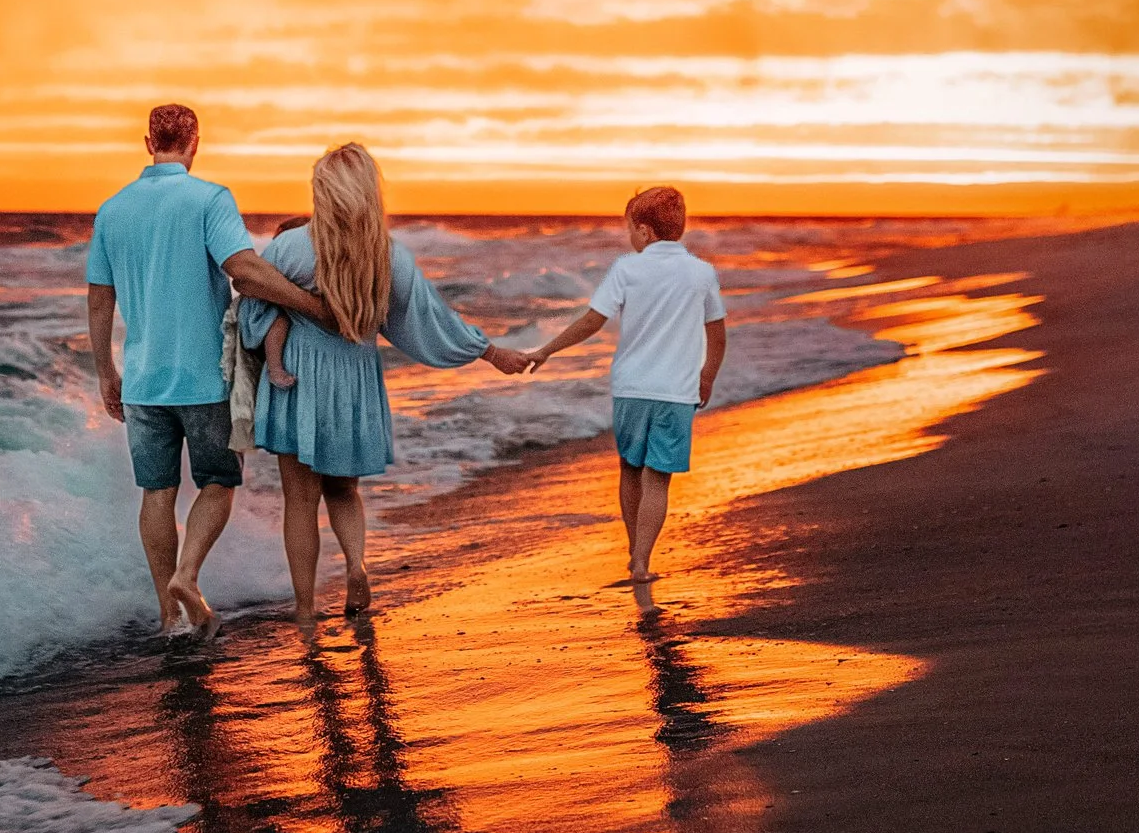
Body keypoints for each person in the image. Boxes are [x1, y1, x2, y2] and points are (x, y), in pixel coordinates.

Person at [240, 144, 533, 643]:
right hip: (355, 380)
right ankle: (356, 564)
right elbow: (429, 321)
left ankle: (307, 610)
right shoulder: (391, 256)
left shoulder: (293, 248)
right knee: (345, 490)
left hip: (300, 376)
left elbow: (253, 310)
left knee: (300, 500)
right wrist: (487, 351)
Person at [87, 104, 330, 641]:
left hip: (144, 381)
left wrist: (106, 371)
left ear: (147, 141)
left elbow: (100, 299)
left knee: (157, 492)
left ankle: (169, 616)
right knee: (218, 482)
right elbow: (242, 268)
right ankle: (187, 577)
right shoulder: (209, 199)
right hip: (204, 378)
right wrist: (312, 306)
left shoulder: (112, 209)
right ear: (195, 142)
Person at [521, 185, 728, 598]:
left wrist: (547, 349)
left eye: (631, 229)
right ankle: (643, 560)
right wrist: (707, 376)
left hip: (632, 389)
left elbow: (592, 321)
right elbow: (717, 333)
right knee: (659, 478)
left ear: (646, 231)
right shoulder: (701, 273)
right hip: (676, 391)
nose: (629, 238)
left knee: (630, 468)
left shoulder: (626, 269)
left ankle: (633, 549)